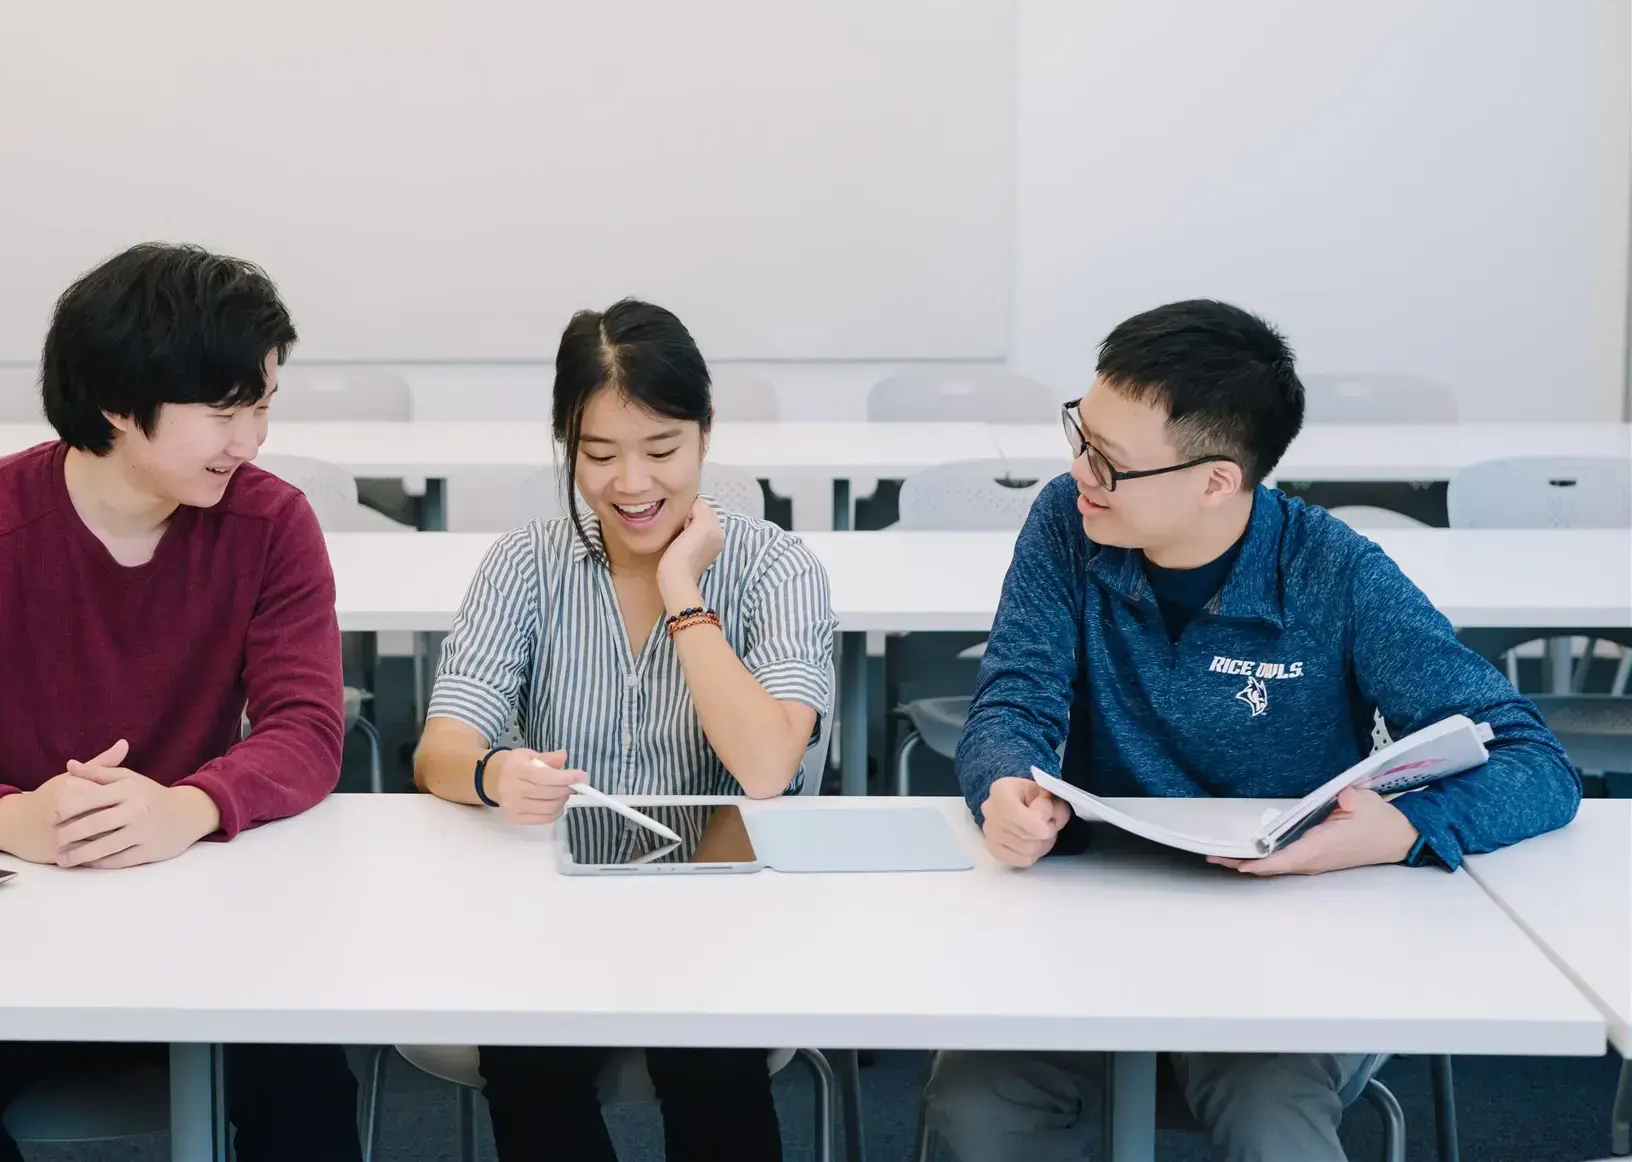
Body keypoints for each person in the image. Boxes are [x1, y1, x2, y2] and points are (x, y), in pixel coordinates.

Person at [925, 299, 1582, 1162]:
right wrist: (1004, 777)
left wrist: (1403, 829)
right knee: (977, 1106)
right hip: (1092, 925)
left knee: (1271, 1121)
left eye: (1110, 463)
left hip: (1288, 941)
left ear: (1216, 481)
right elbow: (1014, 695)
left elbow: (1537, 762)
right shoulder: (1069, 523)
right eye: (1080, 438)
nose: (1082, 472)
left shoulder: (1334, 571)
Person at [0, 242, 362, 1162]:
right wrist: (10, 817)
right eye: (223, 410)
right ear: (114, 404)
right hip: (6, 908)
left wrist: (188, 805)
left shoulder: (271, 524)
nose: (251, 440)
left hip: (204, 899)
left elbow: (307, 730)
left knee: (306, 1093)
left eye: (262, 404)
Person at [412, 298, 837, 1162]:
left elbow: (764, 768)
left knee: (710, 1059)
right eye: (598, 455)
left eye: (661, 450)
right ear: (568, 446)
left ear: (706, 434)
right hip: (556, 900)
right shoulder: (524, 563)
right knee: (527, 1062)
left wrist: (684, 589)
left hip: (721, 905)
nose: (631, 484)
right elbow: (439, 750)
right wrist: (494, 772)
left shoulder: (776, 567)